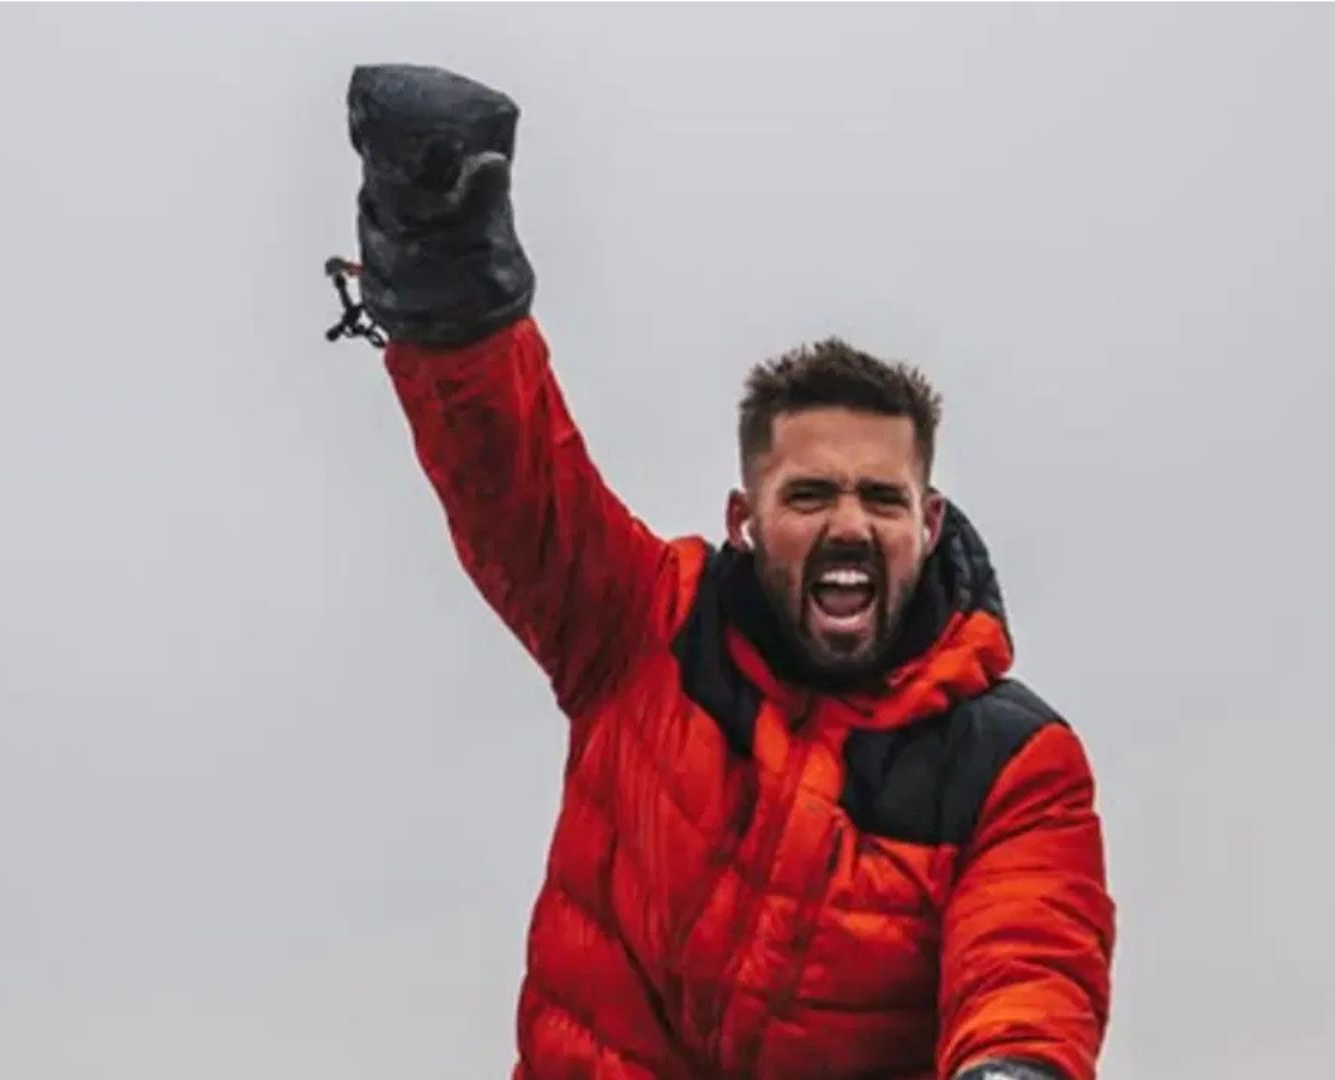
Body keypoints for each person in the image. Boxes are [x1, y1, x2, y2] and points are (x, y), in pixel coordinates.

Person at [336, 64, 1115, 1080]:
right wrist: (442, 265)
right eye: (810, 495)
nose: (849, 525)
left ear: (927, 524)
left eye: (881, 500)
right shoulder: (640, 626)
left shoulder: (1014, 766)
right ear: (743, 519)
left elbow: (1030, 967)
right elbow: (510, 479)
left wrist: (1016, 1071)